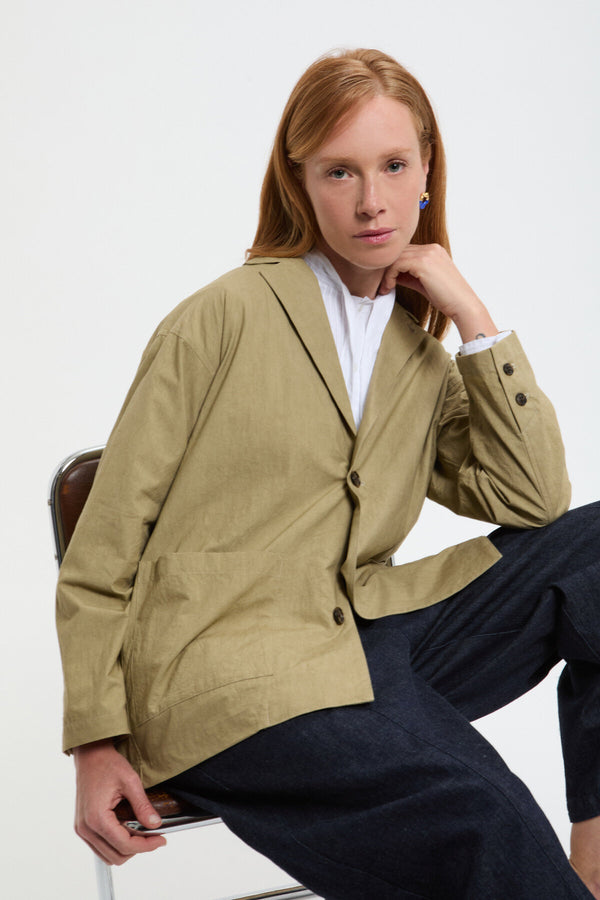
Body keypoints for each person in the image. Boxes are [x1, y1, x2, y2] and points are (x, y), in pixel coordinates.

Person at [56, 48, 600, 898]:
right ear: (299, 181)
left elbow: (533, 497)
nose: (372, 199)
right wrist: (94, 742)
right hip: (229, 673)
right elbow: (102, 551)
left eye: (394, 166)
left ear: (428, 169)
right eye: (340, 171)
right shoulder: (220, 319)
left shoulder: (416, 350)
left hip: (365, 636)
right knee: (483, 809)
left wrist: (474, 319)